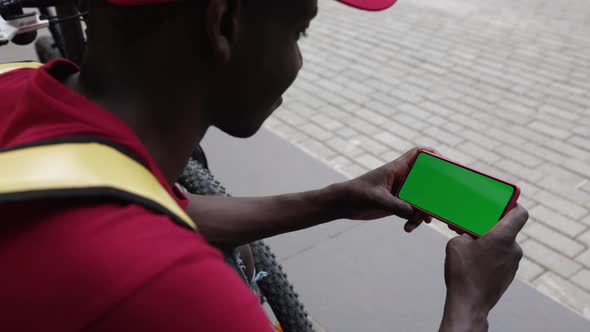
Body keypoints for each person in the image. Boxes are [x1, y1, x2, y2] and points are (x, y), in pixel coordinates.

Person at [0, 0, 529, 331]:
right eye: (300, 31)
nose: (298, 60)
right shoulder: (170, 291)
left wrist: (338, 198)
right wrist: (471, 307)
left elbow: (167, 208)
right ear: (225, 22)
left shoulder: (16, 89)